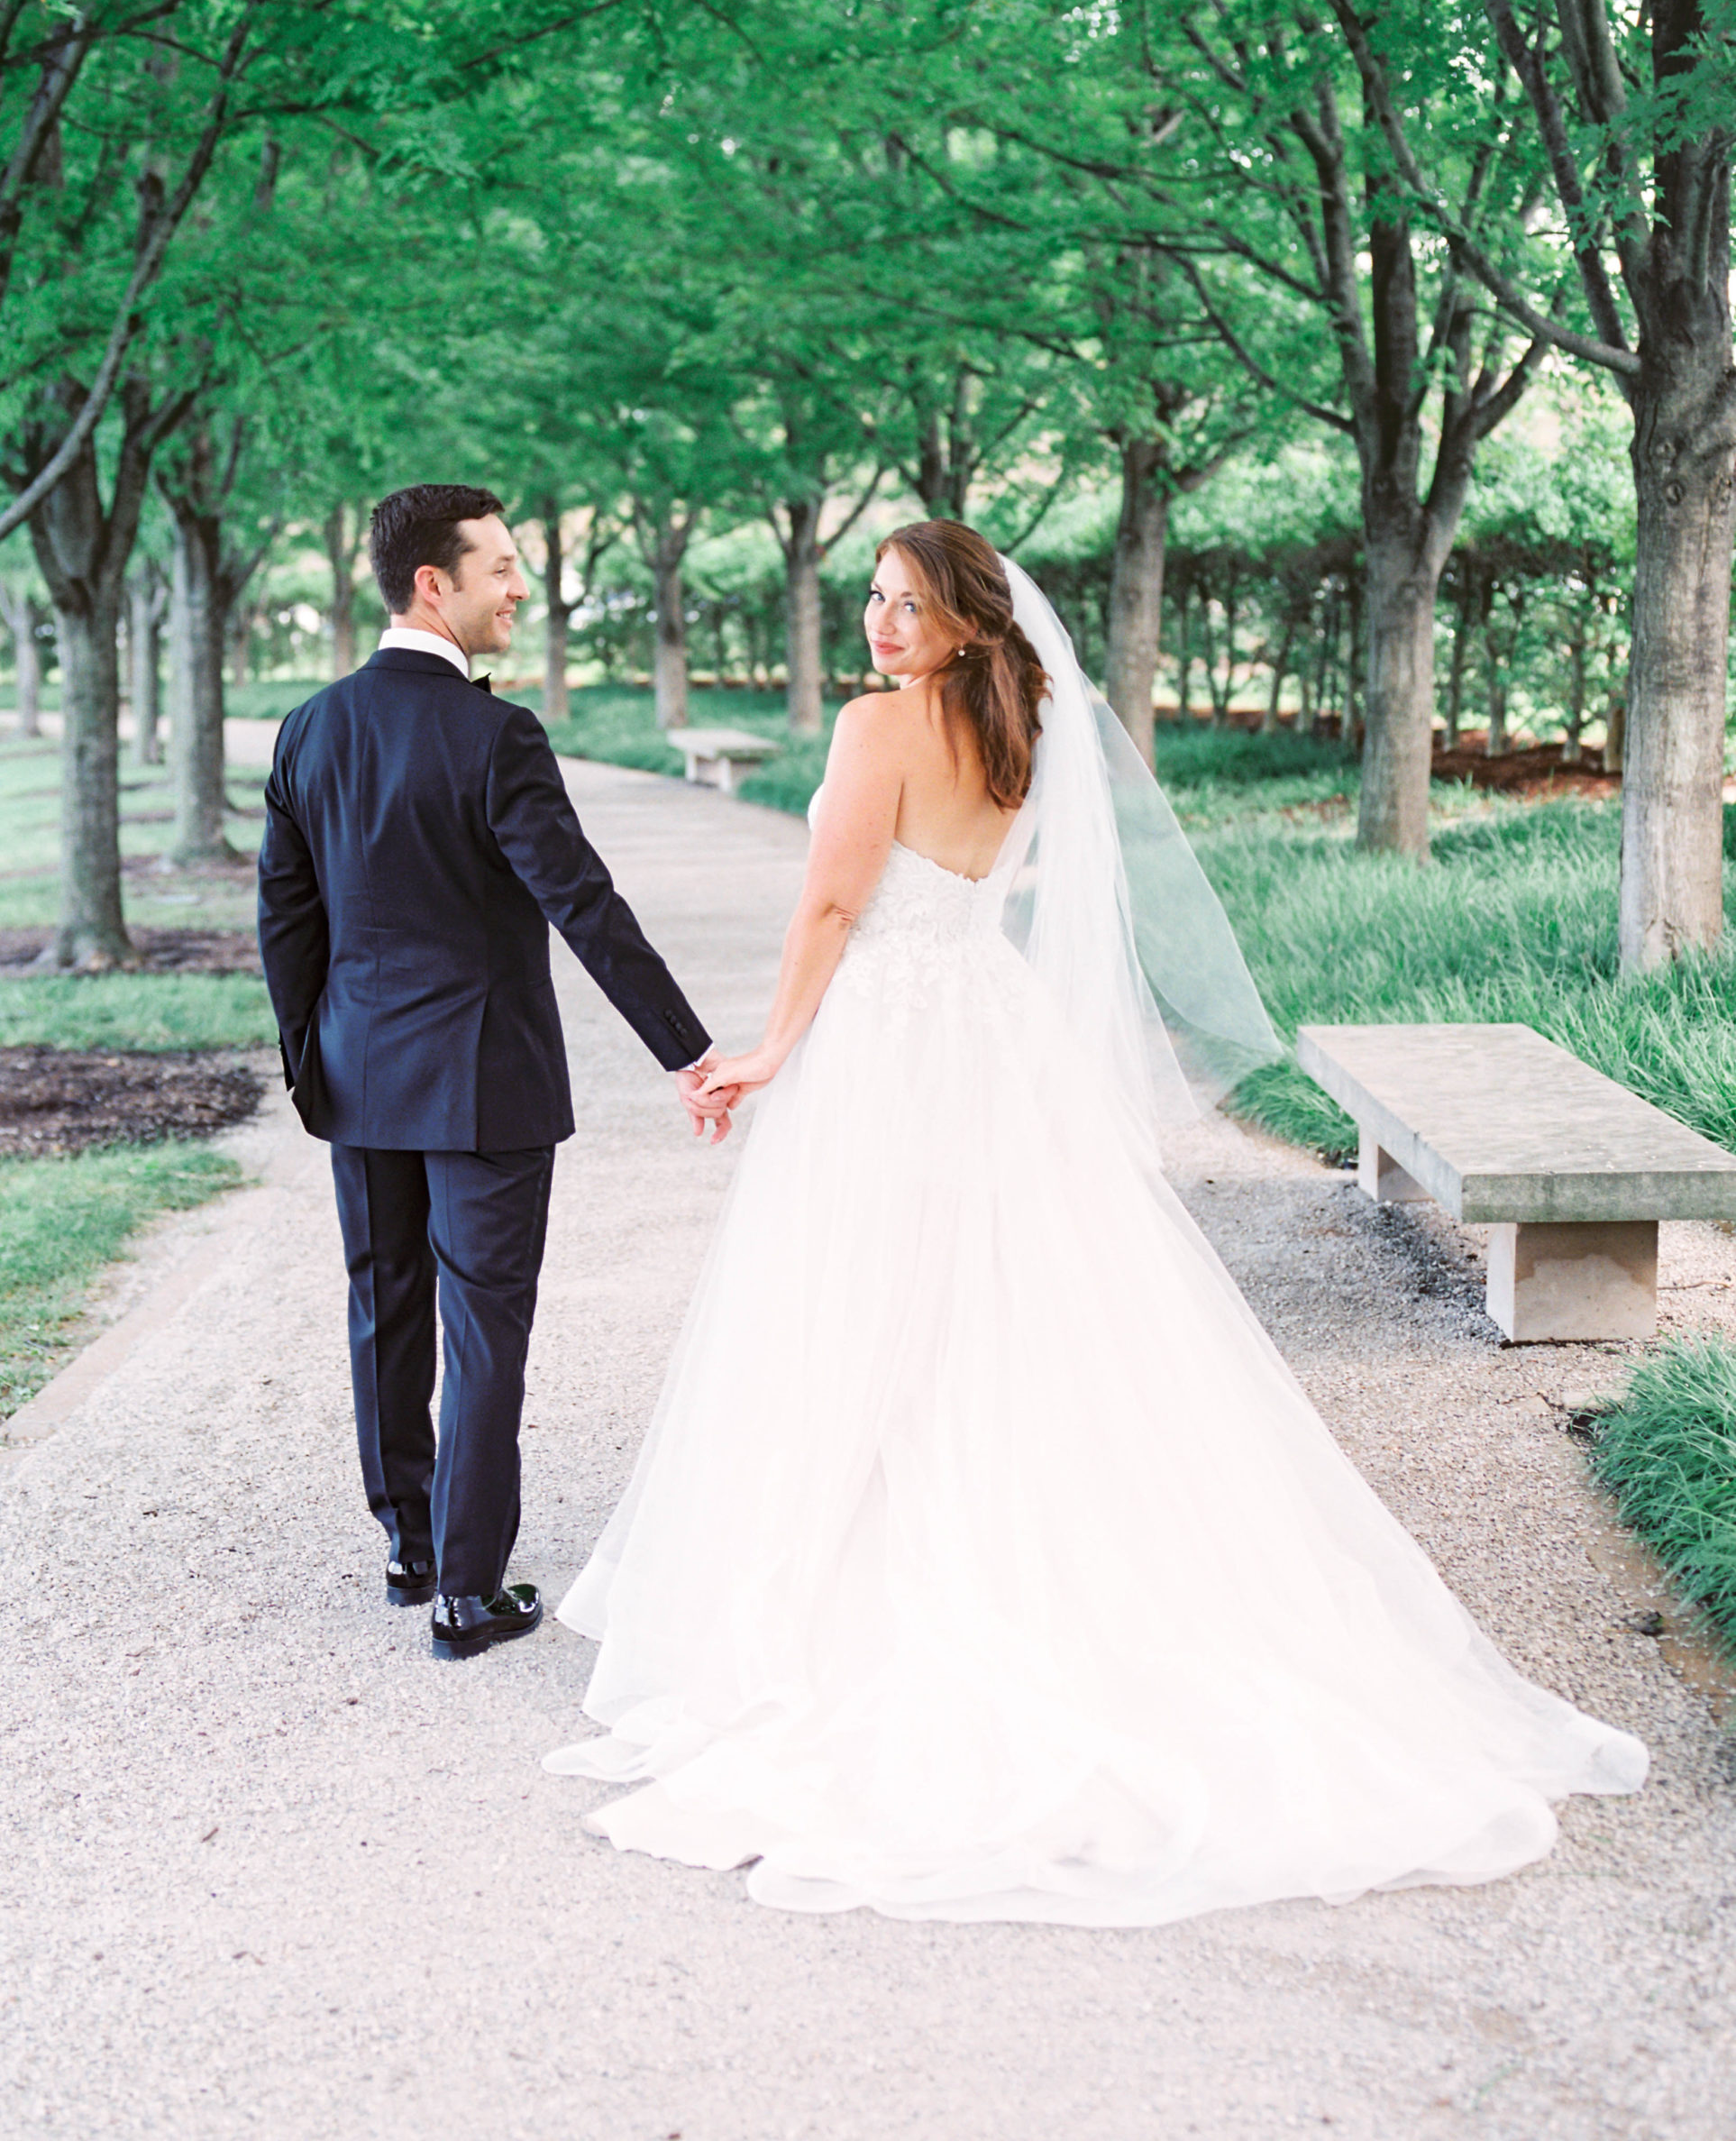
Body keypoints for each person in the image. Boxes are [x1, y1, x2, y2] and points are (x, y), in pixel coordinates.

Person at [544, 517, 1646, 1928]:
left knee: (857, 1290)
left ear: (960, 621)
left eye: (906, 602)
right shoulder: (1025, 725)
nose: (879, 623)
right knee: (1007, 1291)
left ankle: (852, 1574)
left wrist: (764, 1052)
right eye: (872, 599)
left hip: (885, 1039)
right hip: (989, 1037)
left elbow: (829, 904)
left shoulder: (880, 729)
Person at [258, 484, 725, 1661]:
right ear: (435, 584)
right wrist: (687, 1047)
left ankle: (409, 1546)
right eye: (503, 568)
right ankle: (468, 1592)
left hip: (359, 1077)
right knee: (482, 1335)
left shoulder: (310, 729)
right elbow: (582, 903)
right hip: (485, 1086)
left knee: (386, 1313)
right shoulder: (493, 736)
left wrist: (311, 1061)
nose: (521, 587)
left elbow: (285, 919)